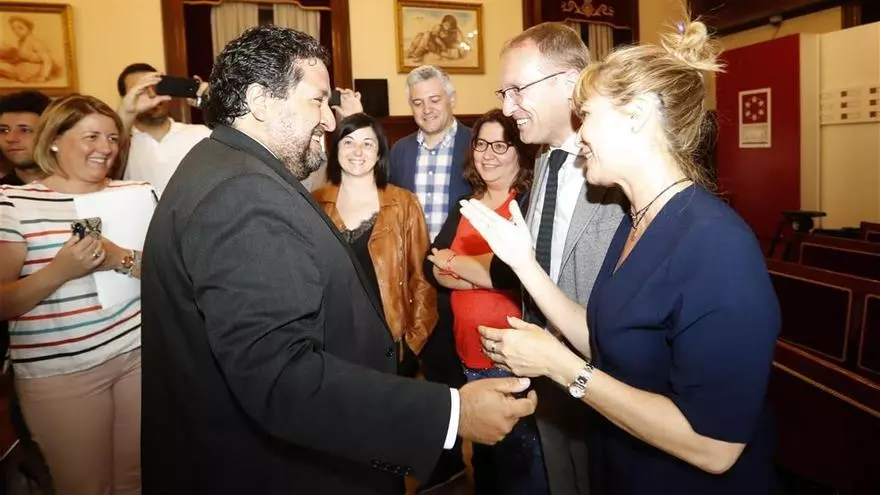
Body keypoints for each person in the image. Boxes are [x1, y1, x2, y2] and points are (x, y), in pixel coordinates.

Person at [140, 26, 537, 495]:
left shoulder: (226, 166)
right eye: (317, 101)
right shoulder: (242, 193)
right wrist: (454, 413)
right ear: (261, 101)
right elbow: (280, 377)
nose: (330, 122)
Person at [461, 14, 781, 495]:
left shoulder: (718, 246)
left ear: (637, 115)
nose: (581, 131)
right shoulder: (639, 221)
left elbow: (715, 448)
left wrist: (563, 367)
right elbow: (605, 339)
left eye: (588, 114)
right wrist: (523, 262)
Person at [494, 22, 626, 495]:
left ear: (569, 82)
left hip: (605, 377)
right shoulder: (543, 161)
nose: (507, 108)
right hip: (544, 370)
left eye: (517, 90)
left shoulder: (618, 171)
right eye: (504, 93)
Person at [0, 94, 150, 495]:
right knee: (86, 487)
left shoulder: (137, 191)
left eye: (112, 138)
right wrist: (60, 271)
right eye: (91, 137)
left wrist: (120, 258)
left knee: (135, 479)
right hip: (63, 373)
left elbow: (166, 271)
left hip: (137, 357)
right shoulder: (15, 202)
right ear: (54, 140)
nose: (105, 148)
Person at [425, 108, 539, 494]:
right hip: (467, 358)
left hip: (511, 360)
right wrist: (483, 273)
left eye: (500, 145)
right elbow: (432, 266)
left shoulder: (528, 205)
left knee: (519, 468)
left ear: (519, 151)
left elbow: (511, 274)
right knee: (485, 467)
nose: (487, 154)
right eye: (481, 144)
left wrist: (457, 264)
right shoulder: (466, 204)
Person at [388, 64, 474, 488]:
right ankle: (423, 454)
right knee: (410, 371)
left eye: (435, 100)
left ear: (452, 99)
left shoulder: (477, 145)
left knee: (451, 374)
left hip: (459, 279)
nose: (427, 109)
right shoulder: (400, 151)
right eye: (418, 103)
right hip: (408, 282)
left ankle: (454, 460)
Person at [313, 113, 436, 378]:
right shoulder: (315, 202)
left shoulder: (404, 204)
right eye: (348, 142)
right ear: (336, 149)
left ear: (379, 151)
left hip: (389, 344)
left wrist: (411, 344)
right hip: (330, 343)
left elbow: (423, 280)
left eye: (367, 143)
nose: (357, 151)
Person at [115, 63, 211, 195]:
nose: (151, 95)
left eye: (156, 87)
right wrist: (126, 112)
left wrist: (218, 105)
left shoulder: (202, 134)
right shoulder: (116, 146)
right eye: (140, 90)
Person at [0, 90, 50, 186]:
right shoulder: (3, 189)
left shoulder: (76, 186)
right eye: (3, 130)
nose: (10, 138)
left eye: (24, 130)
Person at [0, 16, 60, 84]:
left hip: (31, 71)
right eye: (14, 29)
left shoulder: (34, 41)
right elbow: (22, 57)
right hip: (23, 68)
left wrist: (43, 76)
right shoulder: (21, 41)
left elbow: (47, 60)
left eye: (20, 28)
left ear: (29, 28)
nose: (17, 31)